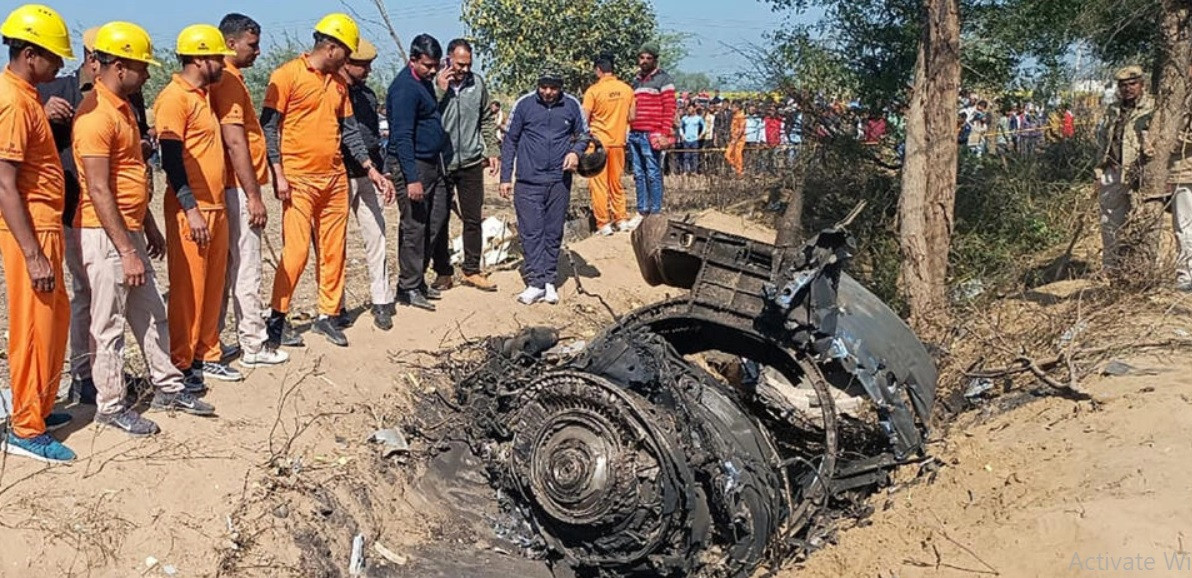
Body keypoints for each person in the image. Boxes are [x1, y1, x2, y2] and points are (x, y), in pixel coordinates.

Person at [76, 21, 216, 437]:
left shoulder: (123, 111)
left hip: (127, 230)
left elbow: (129, 178)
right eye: (142, 67)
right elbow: (99, 189)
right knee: (109, 323)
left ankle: (168, 385)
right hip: (106, 236)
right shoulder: (95, 117)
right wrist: (126, 249)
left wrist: (147, 227)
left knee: (152, 314)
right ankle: (111, 404)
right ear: (119, 67)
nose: (149, 75)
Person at [38, 26, 153, 404]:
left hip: (116, 217)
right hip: (76, 212)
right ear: (92, 59)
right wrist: (42, 113)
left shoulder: (125, 101)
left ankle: (104, 377)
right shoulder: (55, 93)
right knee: (90, 299)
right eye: (92, 55)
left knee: (108, 300)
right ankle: (86, 379)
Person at [262, 13, 392, 347]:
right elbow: (268, 128)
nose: (348, 60)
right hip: (299, 179)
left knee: (335, 252)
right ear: (331, 47)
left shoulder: (337, 85)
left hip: (334, 179)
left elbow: (349, 131)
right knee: (296, 253)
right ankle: (278, 317)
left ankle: (327, 316)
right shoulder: (287, 75)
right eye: (346, 53)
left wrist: (371, 169)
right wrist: (277, 172)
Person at [0, 3, 75, 462]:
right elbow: (4, 183)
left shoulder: (27, 97)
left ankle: (41, 405)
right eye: (53, 56)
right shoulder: (11, 102)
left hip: (45, 226)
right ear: (30, 54)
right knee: (32, 328)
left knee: (51, 323)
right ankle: (26, 427)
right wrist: (32, 254)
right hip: (31, 230)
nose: (60, 66)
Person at [155, 24, 240, 389]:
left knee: (212, 284)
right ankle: (182, 360)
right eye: (219, 57)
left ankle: (208, 352)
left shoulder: (203, 96)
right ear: (200, 58)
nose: (223, 64)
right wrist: (190, 207)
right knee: (189, 288)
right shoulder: (174, 98)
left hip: (215, 205)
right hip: (191, 209)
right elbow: (171, 159)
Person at [211, 13, 291, 366]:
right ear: (230, 43)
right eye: (252, 45)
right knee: (247, 266)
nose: (257, 51)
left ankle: (215, 341)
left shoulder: (232, 79)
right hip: (239, 189)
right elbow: (235, 141)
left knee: (229, 270)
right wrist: (254, 195)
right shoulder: (227, 81)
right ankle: (254, 344)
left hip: (236, 187)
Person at [499, 70, 590, 306]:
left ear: (561, 87)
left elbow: (584, 135)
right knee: (531, 232)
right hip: (528, 181)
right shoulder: (524, 105)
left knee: (552, 231)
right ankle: (536, 281)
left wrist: (575, 152)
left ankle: (550, 280)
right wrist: (505, 177)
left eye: (553, 88)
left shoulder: (572, 106)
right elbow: (510, 140)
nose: (548, 92)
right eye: (544, 87)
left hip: (559, 181)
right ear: (538, 85)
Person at [386, 34, 450, 312]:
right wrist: (411, 178)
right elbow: (401, 136)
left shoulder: (423, 83)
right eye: (427, 65)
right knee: (414, 226)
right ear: (413, 59)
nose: (432, 70)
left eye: (436, 65)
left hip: (432, 163)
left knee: (434, 222)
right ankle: (408, 286)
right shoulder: (404, 89)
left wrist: (440, 90)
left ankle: (418, 280)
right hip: (413, 166)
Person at [430, 38, 500, 294]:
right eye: (460, 64)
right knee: (439, 220)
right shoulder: (434, 82)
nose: (465, 69)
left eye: (468, 64)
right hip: (442, 163)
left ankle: (471, 269)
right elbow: (425, 114)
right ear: (448, 59)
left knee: (472, 218)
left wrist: (492, 149)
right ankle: (443, 272)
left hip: (470, 161)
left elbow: (486, 119)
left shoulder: (477, 83)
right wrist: (439, 90)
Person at [338, 38, 396, 329]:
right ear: (347, 62)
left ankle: (382, 300)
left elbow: (373, 138)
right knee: (335, 243)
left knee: (377, 237)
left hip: (370, 174)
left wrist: (383, 172)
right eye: (364, 65)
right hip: (340, 175)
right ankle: (336, 306)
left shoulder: (368, 96)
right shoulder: (332, 93)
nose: (369, 70)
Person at [1095, 65, 1154, 274]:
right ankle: (1111, 269)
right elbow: (1104, 139)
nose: (1128, 88)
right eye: (1123, 85)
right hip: (1112, 170)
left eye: (1132, 84)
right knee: (1109, 222)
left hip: (1139, 172)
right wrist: (1099, 168)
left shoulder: (1152, 108)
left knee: (1141, 221)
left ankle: (1141, 270)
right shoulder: (1113, 109)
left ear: (1141, 84)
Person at [582, 52, 634, 236]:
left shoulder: (593, 91)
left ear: (598, 70)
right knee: (616, 183)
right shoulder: (627, 89)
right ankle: (621, 219)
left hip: (598, 145)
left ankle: (603, 223)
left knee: (598, 184)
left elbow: (584, 120)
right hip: (619, 143)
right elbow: (632, 117)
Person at [626, 43, 675, 229]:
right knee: (638, 173)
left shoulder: (663, 79)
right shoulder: (635, 81)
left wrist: (663, 133)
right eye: (642, 57)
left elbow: (669, 108)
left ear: (655, 60)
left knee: (653, 173)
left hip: (652, 133)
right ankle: (642, 210)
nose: (644, 61)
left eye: (648, 58)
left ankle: (655, 212)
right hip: (635, 133)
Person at [1170, 61, 1192, 291]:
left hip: (1186, 169)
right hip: (1182, 171)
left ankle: (1187, 276)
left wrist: (1168, 144)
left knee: (1185, 226)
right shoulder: (1180, 96)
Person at [679, 104, 704, 176]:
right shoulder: (684, 118)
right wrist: (682, 135)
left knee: (695, 156)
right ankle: (686, 171)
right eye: (688, 108)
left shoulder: (698, 118)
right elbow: (680, 127)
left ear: (694, 109)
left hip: (695, 140)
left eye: (691, 108)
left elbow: (704, 126)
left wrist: (701, 135)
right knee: (686, 156)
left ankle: (694, 171)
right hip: (686, 140)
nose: (689, 110)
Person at [725, 101, 746, 176]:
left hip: (739, 139)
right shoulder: (734, 116)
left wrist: (736, 139)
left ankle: (739, 171)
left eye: (733, 107)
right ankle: (735, 166)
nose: (731, 109)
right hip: (733, 138)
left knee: (737, 155)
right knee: (727, 154)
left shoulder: (741, 116)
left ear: (737, 108)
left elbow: (741, 129)